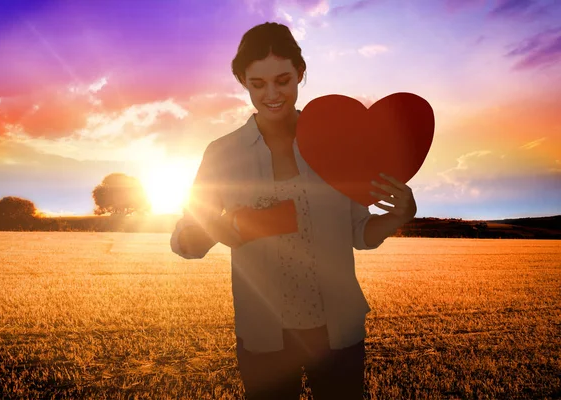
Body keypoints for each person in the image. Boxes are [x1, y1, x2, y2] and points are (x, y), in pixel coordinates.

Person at [170, 22, 417, 400]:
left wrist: (397, 216)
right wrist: (226, 224)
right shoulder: (221, 153)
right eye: (258, 84)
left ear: (301, 73)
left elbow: (359, 233)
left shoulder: (336, 144)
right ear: (242, 81)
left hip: (338, 335)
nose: (272, 94)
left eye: (283, 80)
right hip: (264, 337)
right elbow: (184, 241)